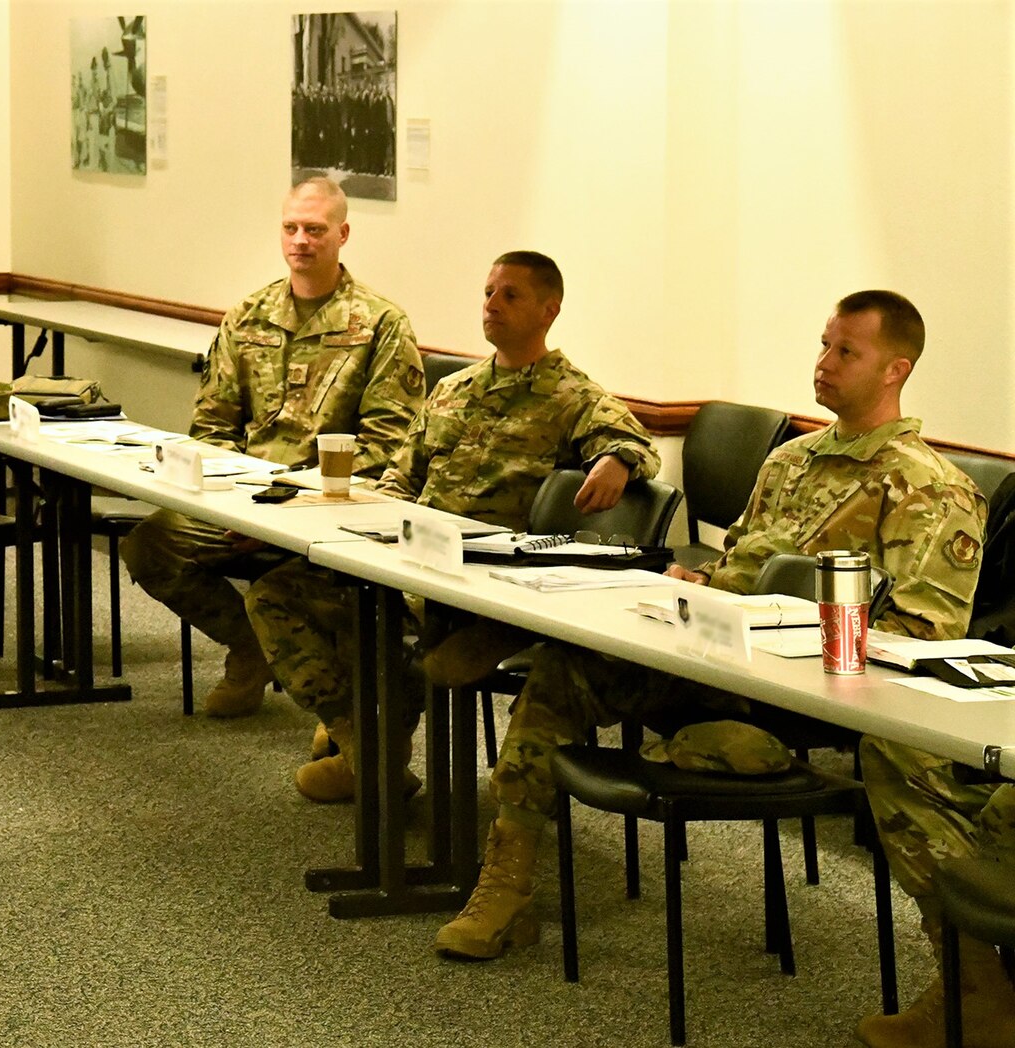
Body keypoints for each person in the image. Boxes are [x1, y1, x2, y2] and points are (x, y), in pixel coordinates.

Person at [434, 291, 989, 974]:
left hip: (808, 691)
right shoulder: (792, 460)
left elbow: (920, 637)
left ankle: (975, 981)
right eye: (823, 344)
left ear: (895, 371)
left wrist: (769, 614)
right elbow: (735, 566)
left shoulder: (928, 487)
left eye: (848, 352)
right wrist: (698, 587)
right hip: (717, 659)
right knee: (564, 669)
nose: (825, 362)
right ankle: (507, 886)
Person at [248, 251, 658, 802]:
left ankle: (370, 759)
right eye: (488, 292)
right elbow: (399, 479)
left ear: (548, 310)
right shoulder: (453, 390)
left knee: (397, 638)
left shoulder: (571, 397)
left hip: (481, 587)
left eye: (510, 295)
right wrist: (359, 529)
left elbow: (637, 446)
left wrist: (619, 461)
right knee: (277, 593)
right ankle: (368, 751)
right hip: (408, 561)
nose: (492, 305)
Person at [120, 176, 425, 718]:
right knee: (151, 545)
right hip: (240, 496)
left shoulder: (380, 323)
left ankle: (342, 711)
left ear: (343, 234)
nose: (300, 240)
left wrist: (283, 507)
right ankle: (251, 647)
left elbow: (387, 445)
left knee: (314, 584)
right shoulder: (249, 315)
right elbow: (211, 425)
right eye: (291, 228)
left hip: (325, 505)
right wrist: (232, 504)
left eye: (315, 229)